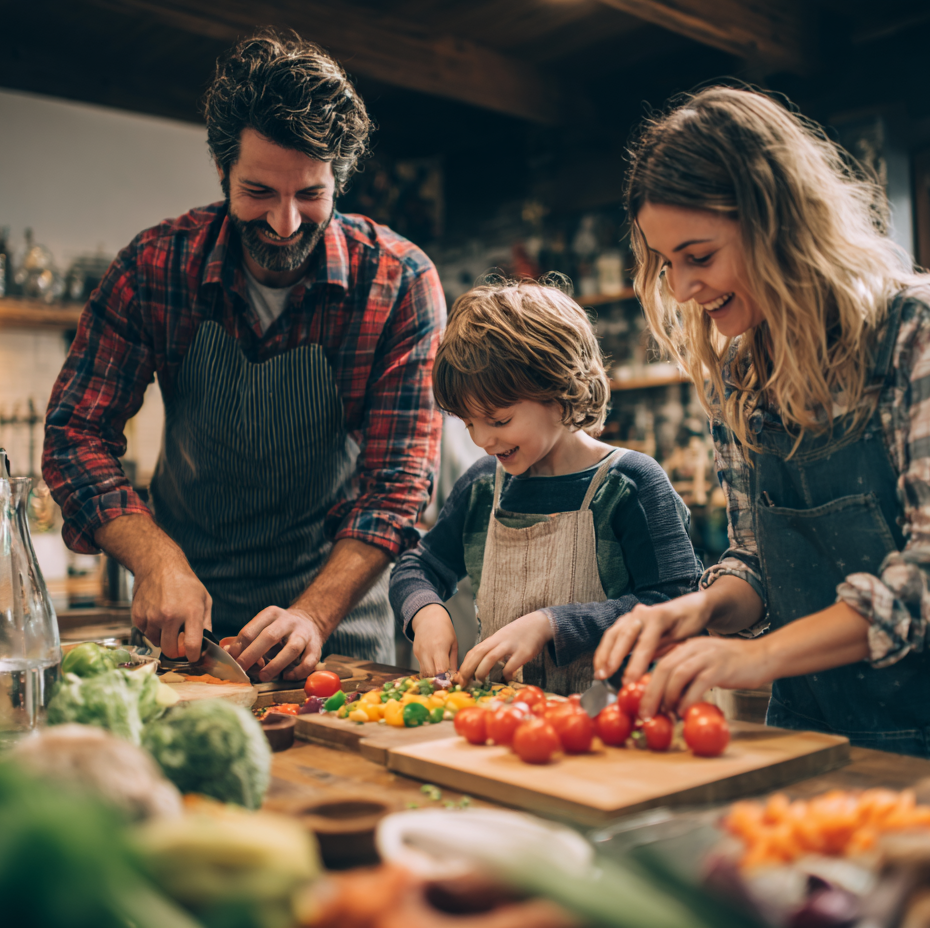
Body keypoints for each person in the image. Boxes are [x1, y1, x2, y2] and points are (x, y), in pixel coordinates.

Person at [592, 87, 930, 777]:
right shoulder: (741, 373)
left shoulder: (926, 333)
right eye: (666, 262)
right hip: (815, 735)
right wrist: (702, 609)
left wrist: (755, 657)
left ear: (777, 223)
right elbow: (759, 561)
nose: (682, 287)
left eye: (699, 255)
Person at [43, 31, 444, 679]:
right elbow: (75, 435)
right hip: (184, 624)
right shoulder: (154, 268)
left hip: (335, 625)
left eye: (310, 194)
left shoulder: (398, 282)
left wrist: (312, 616)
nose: (285, 222)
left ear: (338, 179)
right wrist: (157, 561)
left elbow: (397, 484)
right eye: (259, 192)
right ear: (222, 171)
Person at [390, 277, 702, 694]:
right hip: (505, 722)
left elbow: (677, 606)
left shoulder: (630, 485)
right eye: (468, 423)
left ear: (559, 390)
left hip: (615, 723)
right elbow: (415, 566)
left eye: (499, 420)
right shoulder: (484, 487)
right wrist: (426, 611)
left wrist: (553, 624)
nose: (481, 440)